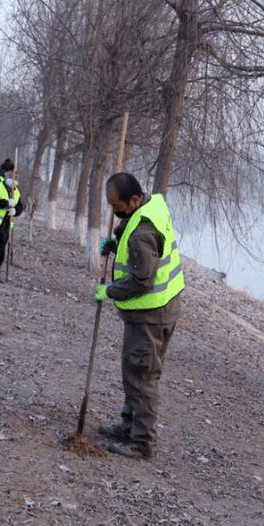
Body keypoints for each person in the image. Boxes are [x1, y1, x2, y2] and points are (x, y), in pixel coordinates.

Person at [93, 172, 185, 459]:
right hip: (154, 310)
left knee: (142, 375)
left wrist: (109, 291)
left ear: (134, 200)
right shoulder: (150, 207)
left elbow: (141, 280)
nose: (114, 211)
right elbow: (134, 241)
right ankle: (129, 424)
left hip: (151, 313)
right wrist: (116, 245)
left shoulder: (143, 232)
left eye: (117, 205)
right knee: (134, 371)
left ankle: (142, 442)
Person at [0, 158, 24, 282]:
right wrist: (6, 203)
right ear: (6, 175)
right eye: (11, 176)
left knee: (1, 249)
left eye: (15, 177)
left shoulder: (16, 192)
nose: (14, 179)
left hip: (6, 225)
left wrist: (15, 211)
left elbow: (19, 207)